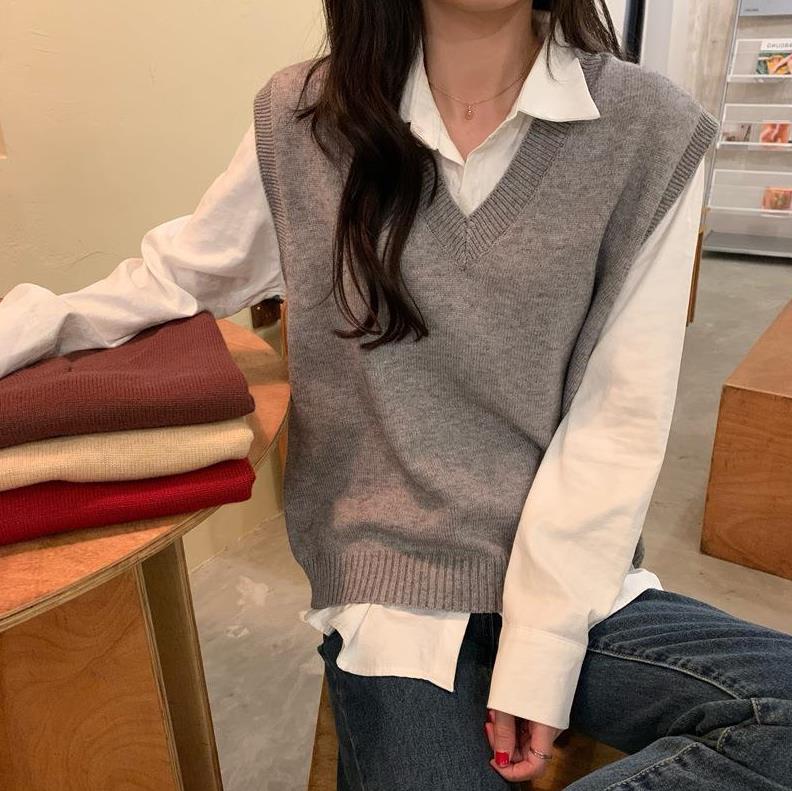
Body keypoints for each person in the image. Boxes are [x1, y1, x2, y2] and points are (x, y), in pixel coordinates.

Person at [1, 1, 791, 789]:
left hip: (574, 576)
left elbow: (618, 419)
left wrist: (542, 647)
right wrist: (26, 327)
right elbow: (177, 275)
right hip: (391, 591)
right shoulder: (307, 119)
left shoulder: (648, 131)